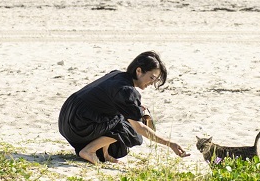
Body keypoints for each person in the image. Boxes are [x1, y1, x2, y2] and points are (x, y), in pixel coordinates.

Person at [58, 51, 190, 165]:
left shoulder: (117, 75)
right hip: (78, 125)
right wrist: (170, 144)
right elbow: (139, 128)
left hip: (66, 119)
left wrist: (134, 108)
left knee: (121, 133)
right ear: (139, 71)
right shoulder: (127, 90)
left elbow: (105, 102)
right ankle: (89, 151)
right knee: (133, 132)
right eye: (151, 78)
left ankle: (105, 154)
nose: (152, 83)